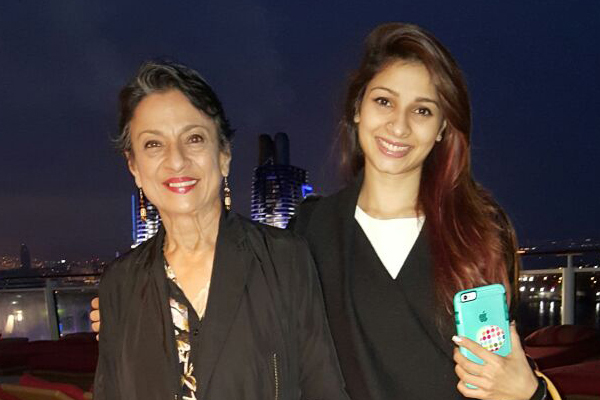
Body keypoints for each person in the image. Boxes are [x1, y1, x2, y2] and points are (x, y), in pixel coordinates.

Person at [288, 23, 547, 400]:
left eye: (422, 110)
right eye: (384, 101)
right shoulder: (311, 230)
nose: (399, 125)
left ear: (442, 128)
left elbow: (502, 375)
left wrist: (530, 393)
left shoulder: (480, 233)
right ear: (357, 108)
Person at [93, 60, 349, 400]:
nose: (176, 160)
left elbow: (324, 387)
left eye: (194, 138)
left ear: (224, 154)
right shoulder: (120, 283)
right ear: (134, 166)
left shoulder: (283, 259)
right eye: (153, 144)